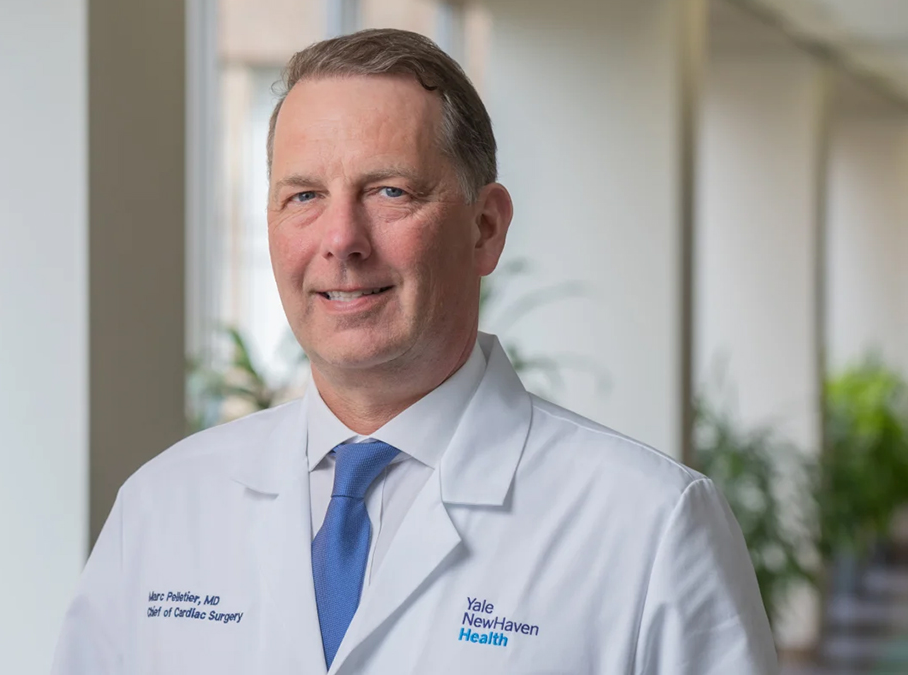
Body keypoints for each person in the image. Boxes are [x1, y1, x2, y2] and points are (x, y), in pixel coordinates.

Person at [51, 28, 777, 674]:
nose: (341, 239)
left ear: (485, 228)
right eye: (303, 196)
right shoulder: (163, 506)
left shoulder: (649, 525)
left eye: (389, 190)